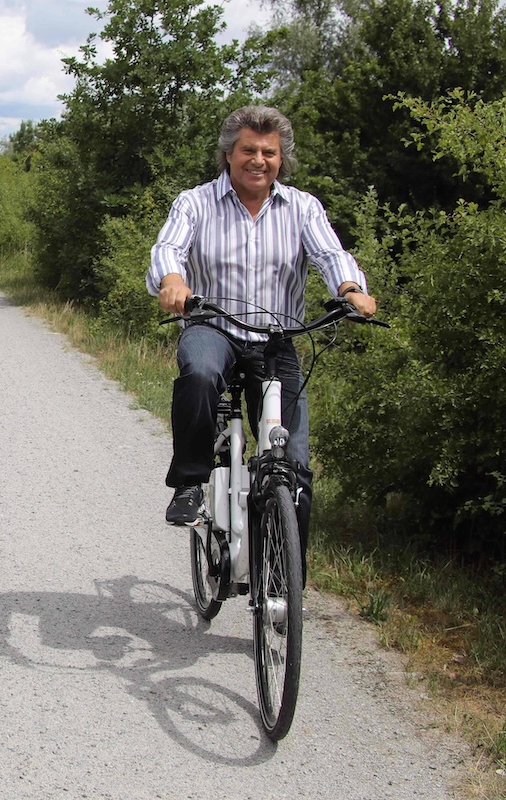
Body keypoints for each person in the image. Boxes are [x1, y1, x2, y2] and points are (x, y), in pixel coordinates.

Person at [146, 105, 377, 570]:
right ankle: (190, 483)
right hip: (213, 326)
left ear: (281, 159)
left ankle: (284, 580)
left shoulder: (302, 207)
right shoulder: (196, 202)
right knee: (200, 371)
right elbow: (168, 248)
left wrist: (351, 290)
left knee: (294, 465)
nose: (258, 160)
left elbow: (331, 254)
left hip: (276, 340)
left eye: (268, 153)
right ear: (228, 154)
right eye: (248, 150)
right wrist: (173, 281)